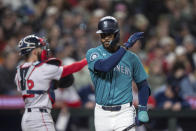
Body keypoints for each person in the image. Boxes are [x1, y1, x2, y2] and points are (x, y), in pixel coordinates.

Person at [86, 16, 151, 131]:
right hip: (102, 113)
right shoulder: (93, 53)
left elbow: (143, 84)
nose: (105, 38)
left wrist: (142, 109)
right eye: (103, 35)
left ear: (116, 35)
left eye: (109, 35)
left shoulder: (131, 58)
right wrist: (126, 47)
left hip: (124, 112)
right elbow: (105, 67)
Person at [14, 34, 87, 131]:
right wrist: (88, 60)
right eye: (40, 47)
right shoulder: (43, 68)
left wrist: (49, 85)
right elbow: (72, 68)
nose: (43, 50)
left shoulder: (19, 71)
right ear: (34, 52)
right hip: (40, 117)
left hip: (26, 117)